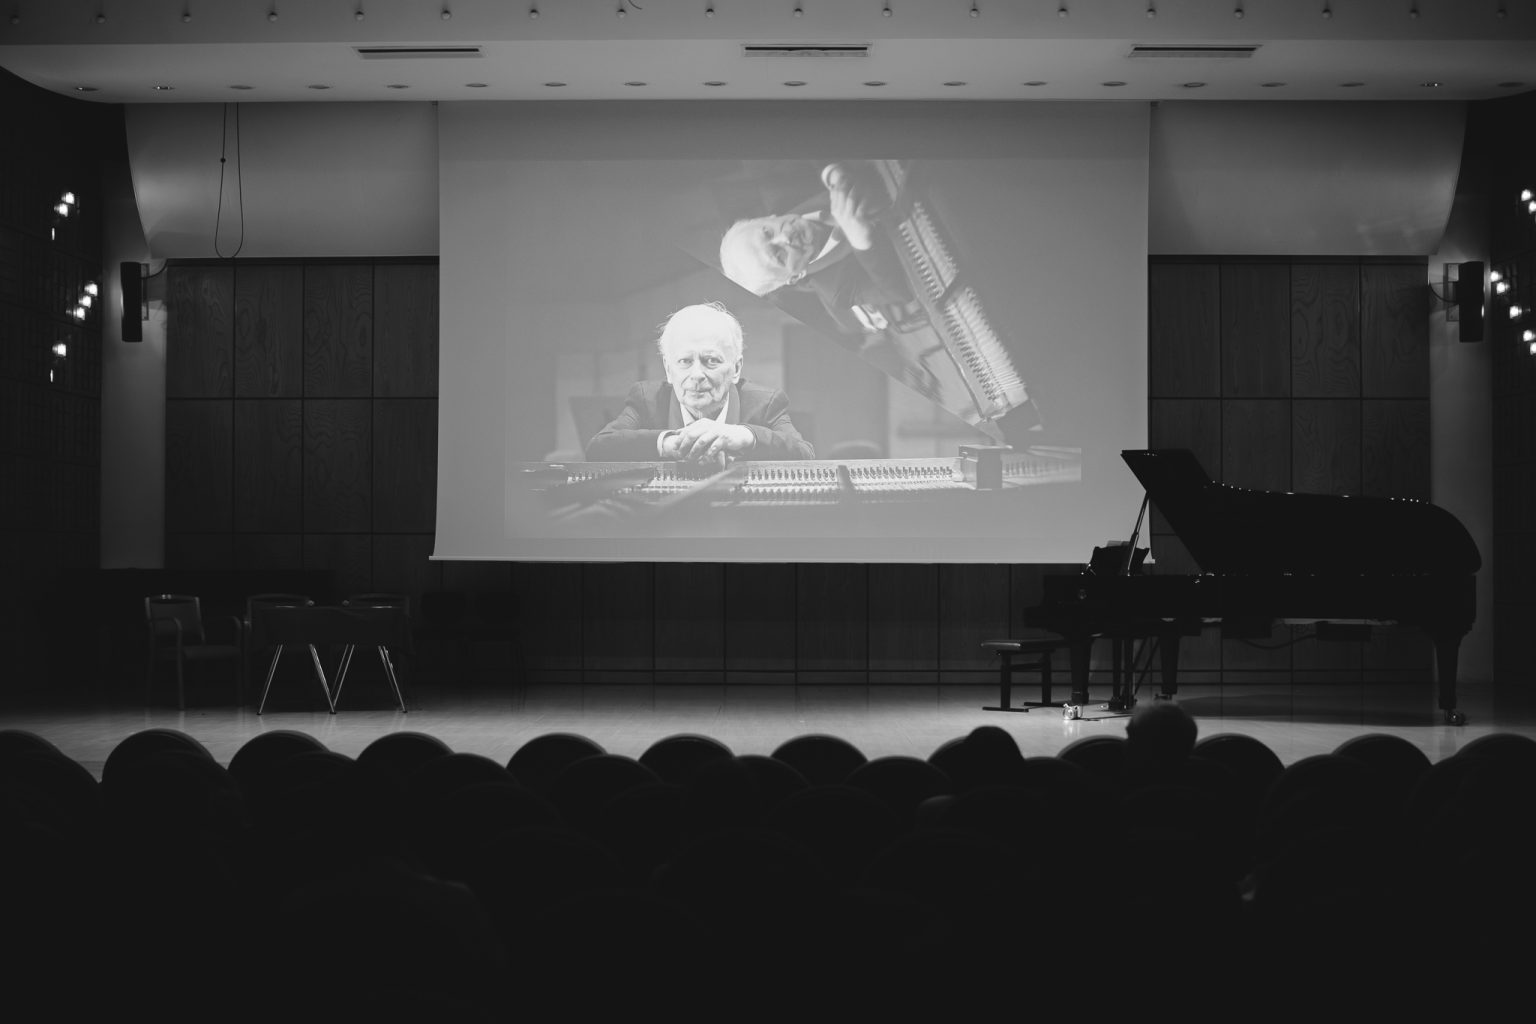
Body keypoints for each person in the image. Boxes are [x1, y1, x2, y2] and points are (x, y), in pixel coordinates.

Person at [585, 302, 814, 464]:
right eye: (685, 361)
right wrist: (670, 444)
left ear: (736, 368)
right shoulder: (647, 399)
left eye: (711, 361)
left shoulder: (765, 403)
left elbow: (804, 453)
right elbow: (599, 448)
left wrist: (744, 436)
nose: (696, 374)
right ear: (668, 369)